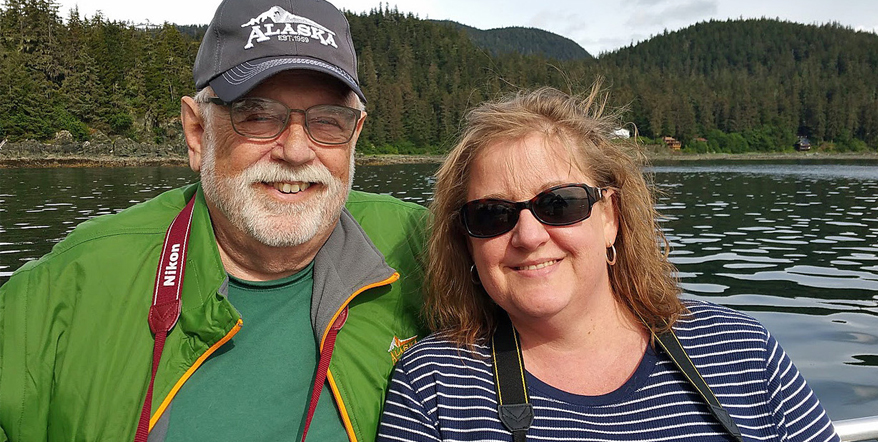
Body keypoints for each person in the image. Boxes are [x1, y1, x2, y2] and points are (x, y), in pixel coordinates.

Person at [0, 0, 427, 440]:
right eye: (258, 116)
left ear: (354, 135)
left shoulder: (425, 248)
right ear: (197, 132)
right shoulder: (66, 287)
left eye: (329, 121)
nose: (297, 152)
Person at [377, 85, 840, 442]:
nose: (529, 236)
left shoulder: (743, 352)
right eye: (492, 215)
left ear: (610, 219)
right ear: (469, 242)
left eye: (559, 204)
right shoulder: (434, 388)